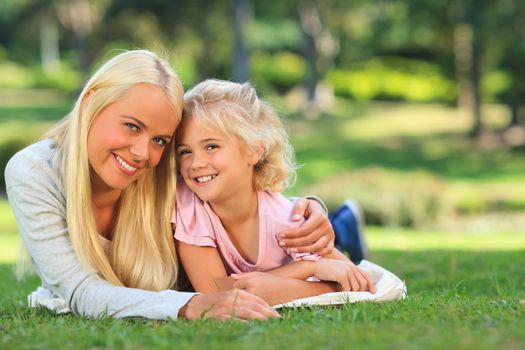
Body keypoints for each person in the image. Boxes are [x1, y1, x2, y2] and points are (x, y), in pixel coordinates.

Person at [4, 50, 337, 321]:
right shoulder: (35, 172)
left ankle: (344, 223)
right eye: (132, 126)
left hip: (267, 255)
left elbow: (236, 186)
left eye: (160, 140)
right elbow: (80, 291)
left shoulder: (164, 171)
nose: (142, 154)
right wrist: (189, 305)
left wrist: (309, 207)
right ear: (91, 101)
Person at [174, 79, 375, 306]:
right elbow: (215, 291)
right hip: (297, 251)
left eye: (211, 146)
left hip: (297, 232)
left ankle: (346, 223)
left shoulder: (285, 220)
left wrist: (296, 275)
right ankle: (344, 223)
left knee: (321, 236)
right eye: (185, 151)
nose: (195, 163)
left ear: (254, 151)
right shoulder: (189, 201)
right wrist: (308, 268)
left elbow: (363, 284)